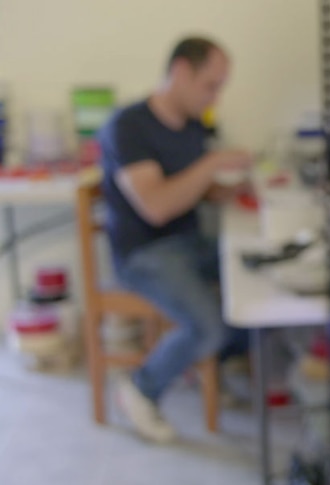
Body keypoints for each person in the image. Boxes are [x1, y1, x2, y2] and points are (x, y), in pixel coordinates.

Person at [98, 36, 253, 443]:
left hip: (188, 245)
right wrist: (213, 163)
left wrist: (229, 188)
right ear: (181, 72)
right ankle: (140, 389)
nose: (214, 97)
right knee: (208, 326)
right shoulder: (128, 126)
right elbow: (156, 206)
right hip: (144, 256)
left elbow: (190, 189)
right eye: (210, 85)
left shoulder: (192, 126)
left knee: (256, 281)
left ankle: (201, 365)